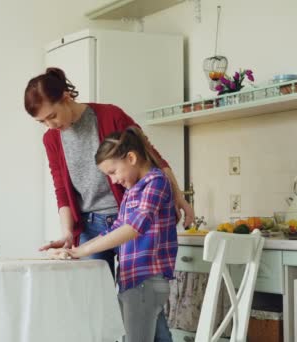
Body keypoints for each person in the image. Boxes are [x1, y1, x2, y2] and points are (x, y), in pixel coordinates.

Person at [24, 67, 192, 341]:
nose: (50, 125)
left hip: (129, 222)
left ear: (66, 97)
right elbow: (62, 191)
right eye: (42, 122)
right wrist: (69, 234)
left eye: (52, 115)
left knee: (142, 305)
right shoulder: (52, 138)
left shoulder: (109, 115)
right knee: (97, 309)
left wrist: (180, 197)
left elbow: (151, 155)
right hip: (92, 228)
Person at [66, 126, 178, 342]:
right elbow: (115, 228)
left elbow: (135, 226)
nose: (113, 180)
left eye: (113, 172)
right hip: (132, 279)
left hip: (146, 280)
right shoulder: (132, 191)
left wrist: (84, 250)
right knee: (159, 337)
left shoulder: (156, 182)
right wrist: (75, 250)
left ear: (131, 158)